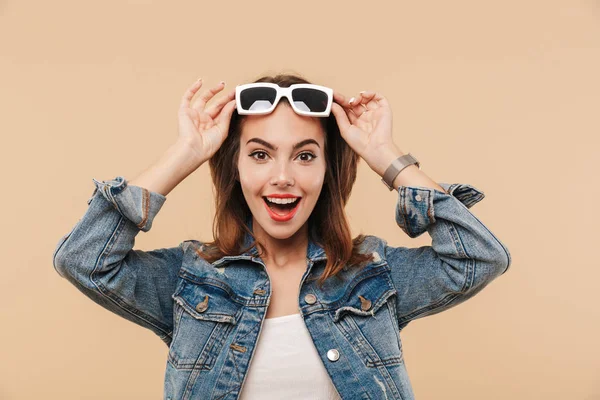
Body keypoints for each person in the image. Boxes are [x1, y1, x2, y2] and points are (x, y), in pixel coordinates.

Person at [52, 73, 512, 400]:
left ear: (328, 171)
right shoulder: (190, 280)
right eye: (260, 154)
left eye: (306, 156)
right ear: (235, 168)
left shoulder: (374, 274)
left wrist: (384, 155)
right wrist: (185, 153)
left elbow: (479, 257)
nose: (282, 177)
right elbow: (84, 259)